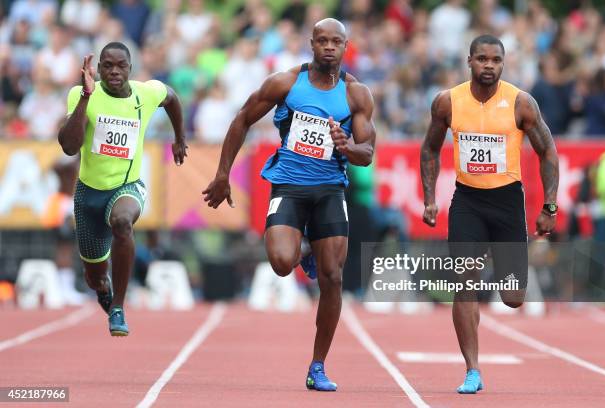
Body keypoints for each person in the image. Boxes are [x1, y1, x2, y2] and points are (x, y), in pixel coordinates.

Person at [203, 18, 376, 391]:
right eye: (323, 41)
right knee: (282, 263)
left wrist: (347, 147)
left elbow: (368, 152)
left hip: (330, 190)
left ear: (345, 48)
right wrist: (222, 174)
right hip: (289, 186)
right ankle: (306, 251)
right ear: (311, 43)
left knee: (333, 279)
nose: (329, 47)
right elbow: (242, 119)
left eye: (337, 42)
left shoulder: (356, 95)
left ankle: (318, 366)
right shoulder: (285, 83)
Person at [420, 35, 559, 394]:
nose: (489, 65)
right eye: (481, 59)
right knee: (463, 285)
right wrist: (430, 198)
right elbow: (430, 149)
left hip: (508, 203)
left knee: (513, 296)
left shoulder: (521, 103)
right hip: (467, 201)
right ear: (469, 61)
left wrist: (549, 206)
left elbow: (548, 152)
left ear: (503, 63)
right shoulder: (447, 102)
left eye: (495, 60)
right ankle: (472, 369)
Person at [57, 42, 188, 336]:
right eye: (108, 66)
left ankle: (118, 306)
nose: (114, 72)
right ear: (98, 69)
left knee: (122, 222)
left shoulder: (146, 92)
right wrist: (86, 98)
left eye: (121, 66)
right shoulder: (80, 94)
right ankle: (104, 289)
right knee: (94, 277)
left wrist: (180, 137)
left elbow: (173, 98)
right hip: (88, 193)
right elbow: (68, 147)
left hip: (127, 187)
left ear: (131, 68)